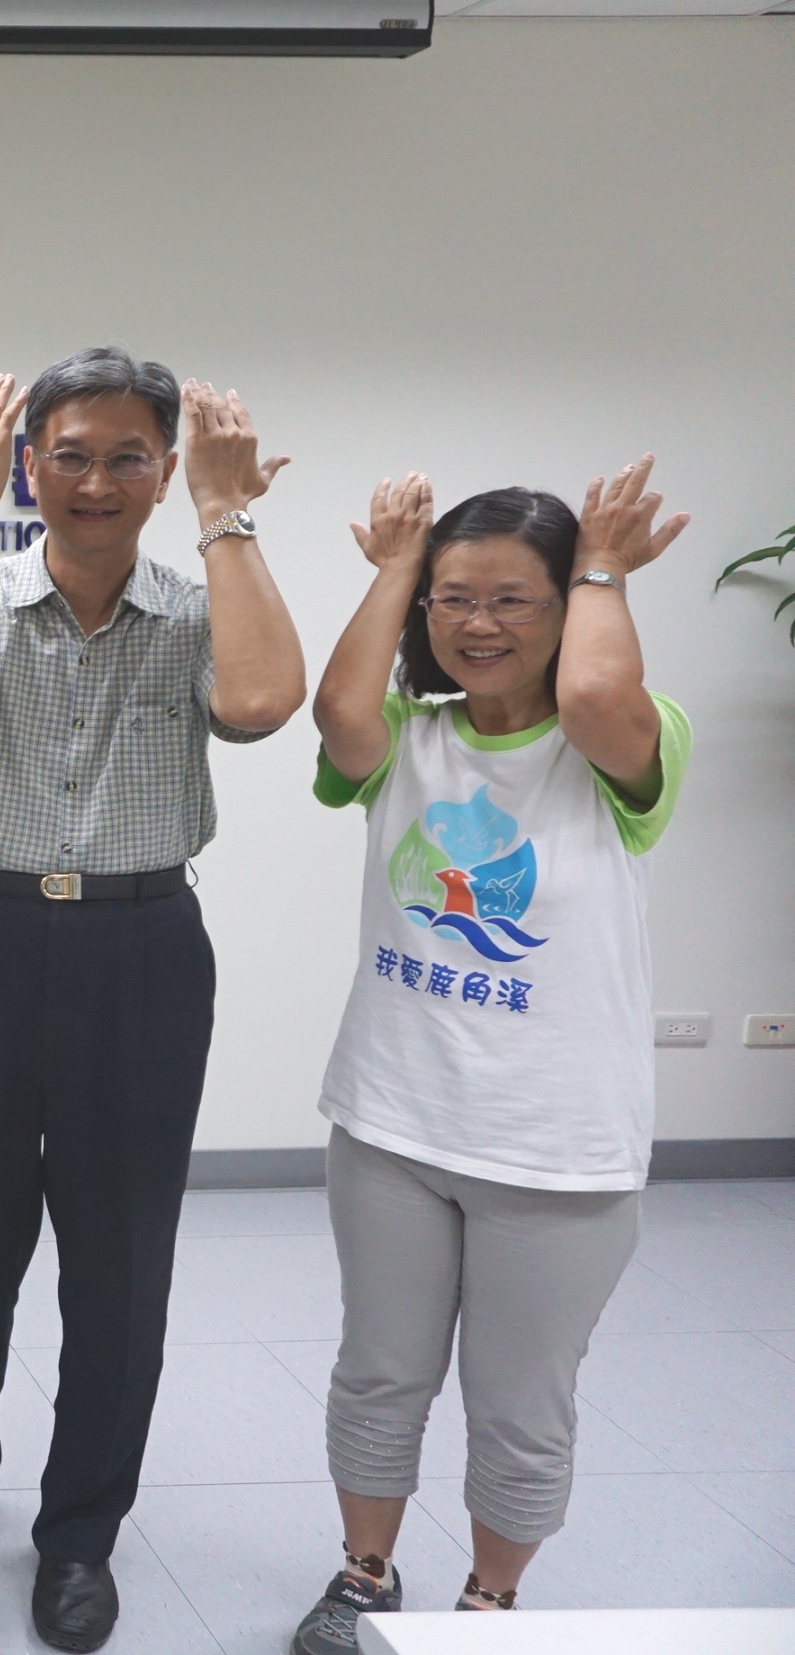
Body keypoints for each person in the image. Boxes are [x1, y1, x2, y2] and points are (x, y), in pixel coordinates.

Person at [0, 353, 306, 1653]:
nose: (96, 480)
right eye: (67, 453)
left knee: (116, 1268)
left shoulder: (193, 606)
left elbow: (260, 700)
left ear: (165, 472)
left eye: (128, 457)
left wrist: (227, 523)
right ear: (29, 467)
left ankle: (77, 1535)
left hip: (139, 949)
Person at [286, 464, 690, 1653]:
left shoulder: (623, 745)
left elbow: (604, 697)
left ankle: (489, 1602)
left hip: (556, 1152)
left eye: (514, 600)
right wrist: (394, 569)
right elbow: (338, 716)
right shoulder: (406, 742)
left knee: (518, 1406)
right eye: (454, 600)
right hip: (392, 1127)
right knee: (379, 1374)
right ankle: (364, 1572)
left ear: (568, 606)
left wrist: (605, 563)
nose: (477, 624)